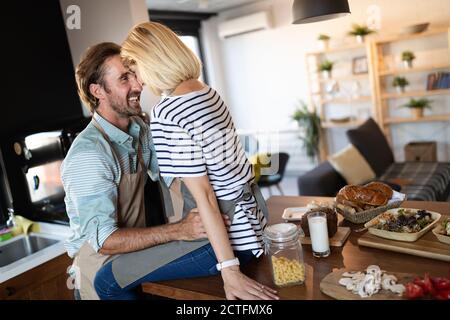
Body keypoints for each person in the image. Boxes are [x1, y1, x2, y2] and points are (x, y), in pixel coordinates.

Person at [103, 21, 279, 300]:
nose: (138, 83)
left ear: (150, 62)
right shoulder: (207, 93)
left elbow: (206, 197)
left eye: (135, 71)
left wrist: (229, 271)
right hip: (253, 227)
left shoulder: (168, 113)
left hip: (227, 241)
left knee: (107, 280)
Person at [61, 42, 230, 300]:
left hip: (134, 259)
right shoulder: (89, 155)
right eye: (124, 79)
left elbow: (180, 171)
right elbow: (104, 241)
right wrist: (180, 230)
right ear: (98, 91)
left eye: (135, 74)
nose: (139, 85)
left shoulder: (140, 129)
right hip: (99, 271)